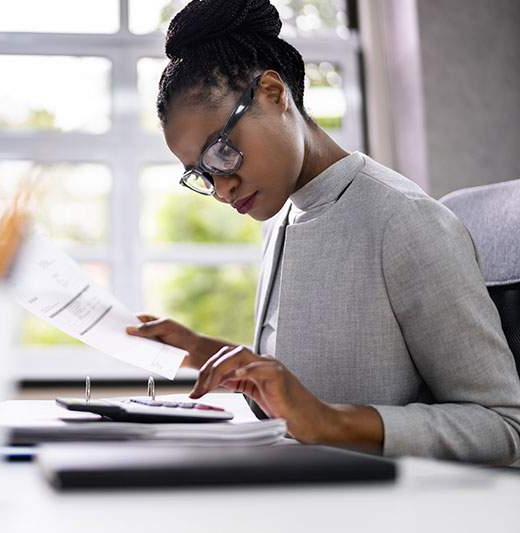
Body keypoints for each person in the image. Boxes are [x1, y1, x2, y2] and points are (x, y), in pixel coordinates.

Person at [126, 0, 520, 464]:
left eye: (221, 153)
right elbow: (299, 400)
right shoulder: (283, 218)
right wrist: (202, 350)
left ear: (273, 93)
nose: (221, 187)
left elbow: (505, 425)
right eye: (202, 175)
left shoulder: (405, 221)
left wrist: (333, 422)